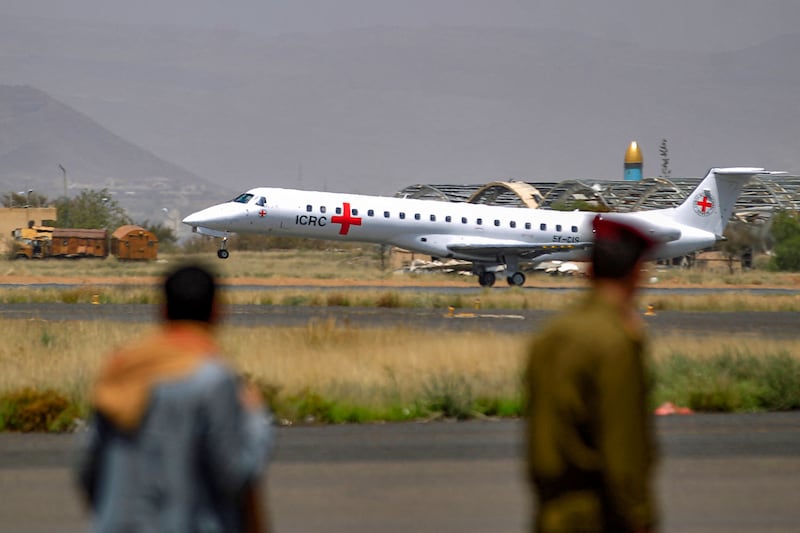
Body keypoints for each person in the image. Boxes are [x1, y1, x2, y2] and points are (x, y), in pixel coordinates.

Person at [77, 264, 273, 532]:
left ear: (162, 310)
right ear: (217, 312)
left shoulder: (120, 372)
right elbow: (234, 474)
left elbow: (88, 471)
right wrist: (255, 420)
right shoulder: (213, 381)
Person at [524, 215, 658, 533]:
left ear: (590, 270)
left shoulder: (549, 336)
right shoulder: (615, 340)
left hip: (551, 512)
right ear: (637, 272)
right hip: (601, 515)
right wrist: (638, 513)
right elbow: (622, 443)